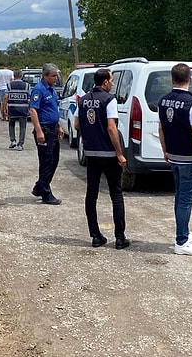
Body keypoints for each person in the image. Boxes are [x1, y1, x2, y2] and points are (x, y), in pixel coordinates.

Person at [158, 63, 192, 256]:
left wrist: (164, 150)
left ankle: (185, 233)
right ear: (190, 79)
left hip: (173, 156)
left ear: (172, 79)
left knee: (180, 197)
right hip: (190, 159)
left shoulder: (163, 101)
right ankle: (181, 241)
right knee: (186, 200)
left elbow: (161, 129)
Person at [74, 68, 129, 249]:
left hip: (91, 153)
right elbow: (112, 128)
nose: (112, 83)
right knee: (116, 194)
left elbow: (76, 124)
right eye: (111, 80)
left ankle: (95, 235)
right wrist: (120, 153)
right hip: (108, 153)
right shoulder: (109, 100)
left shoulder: (83, 100)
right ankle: (120, 238)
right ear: (105, 82)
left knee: (92, 194)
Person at [29, 63, 63, 205]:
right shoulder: (39, 90)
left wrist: (59, 126)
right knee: (46, 162)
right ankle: (46, 194)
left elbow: (54, 109)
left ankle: (39, 187)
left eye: (56, 75)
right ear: (45, 76)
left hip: (53, 129)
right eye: (53, 76)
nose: (56, 78)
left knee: (54, 161)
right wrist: (39, 131)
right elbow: (33, 110)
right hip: (44, 130)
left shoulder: (52, 89)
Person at [3, 69, 30, 150]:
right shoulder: (27, 85)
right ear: (21, 76)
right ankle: (20, 144)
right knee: (23, 127)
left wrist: (4, 107)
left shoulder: (9, 85)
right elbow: (29, 97)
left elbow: (6, 96)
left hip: (12, 108)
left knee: (11, 125)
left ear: (14, 76)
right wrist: (30, 108)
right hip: (23, 109)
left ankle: (13, 141)